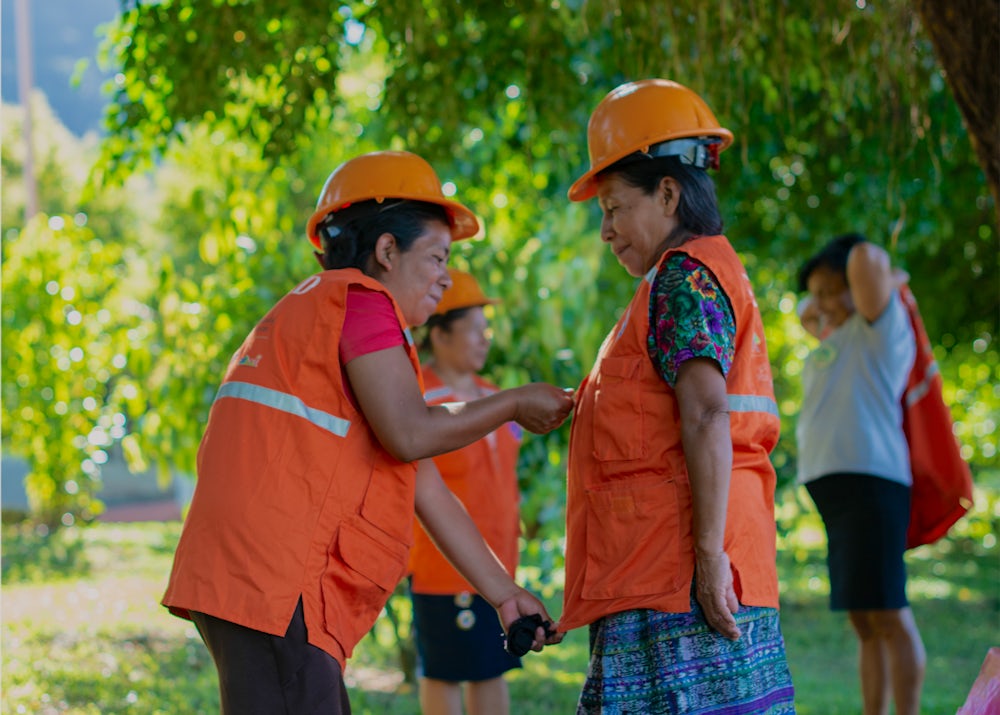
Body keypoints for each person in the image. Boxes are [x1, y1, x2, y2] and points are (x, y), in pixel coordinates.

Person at [161, 150, 573, 714]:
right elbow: (411, 434)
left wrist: (504, 596)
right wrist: (514, 402)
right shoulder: (362, 302)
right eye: (436, 256)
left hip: (252, 577)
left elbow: (423, 481)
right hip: (276, 583)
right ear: (385, 251)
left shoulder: (319, 315)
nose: (445, 277)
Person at [558, 78, 796, 713]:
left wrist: (708, 555)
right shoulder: (688, 274)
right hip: (670, 570)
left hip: (678, 577)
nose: (606, 231)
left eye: (613, 208)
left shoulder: (684, 277)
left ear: (667, 192)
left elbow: (706, 410)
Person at [796, 232, 925, 715]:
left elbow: (870, 258)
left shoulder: (882, 327)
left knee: (890, 613)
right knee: (864, 620)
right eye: (818, 291)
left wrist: (888, 278)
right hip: (838, 492)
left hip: (873, 486)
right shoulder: (835, 337)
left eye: (833, 287)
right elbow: (805, 313)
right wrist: (825, 302)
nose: (822, 302)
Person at [408, 268, 524, 715]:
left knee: (493, 667)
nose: (484, 339)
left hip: (499, 567)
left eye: (486, 330)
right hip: (442, 571)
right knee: (444, 672)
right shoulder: (415, 400)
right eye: (474, 330)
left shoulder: (496, 397)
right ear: (439, 334)